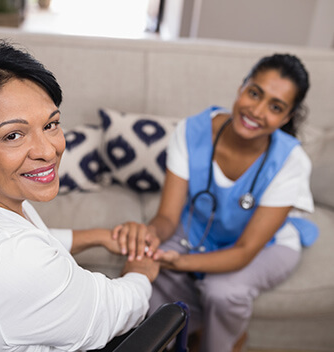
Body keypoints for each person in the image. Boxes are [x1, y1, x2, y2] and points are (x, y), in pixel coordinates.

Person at [0, 40, 160, 352]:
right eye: (13, 135)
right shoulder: (14, 262)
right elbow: (112, 311)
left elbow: (20, 239)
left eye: (51, 124)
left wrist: (98, 236)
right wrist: (141, 272)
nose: (48, 150)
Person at [112, 53, 318, 352]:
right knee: (144, 265)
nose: (257, 111)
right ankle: (177, 336)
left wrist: (181, 262)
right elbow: (168, 218)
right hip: (198, 230)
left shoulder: (291, 161)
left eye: (275, 107)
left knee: (223, 291)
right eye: (254, 93)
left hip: (265, 245)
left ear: (287, 117)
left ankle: (222, 342)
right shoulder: (192, 131)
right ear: (241, 87)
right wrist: (149, 237)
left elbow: (245, 251)